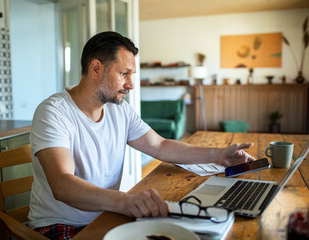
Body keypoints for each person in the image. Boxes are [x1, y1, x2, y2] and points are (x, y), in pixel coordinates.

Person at [28, 31, 255, 239]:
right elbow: (62, 185)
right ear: (96, 68)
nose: (131, 84)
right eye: (124, 73)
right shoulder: (53, 112)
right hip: (62, 225)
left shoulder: (119, 109)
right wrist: (126, 201)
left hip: (108, 216)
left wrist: (219, 156)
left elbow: (159, 145)